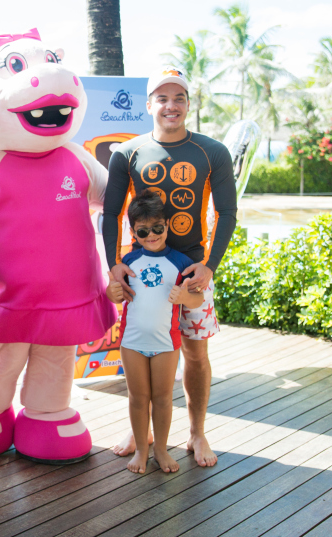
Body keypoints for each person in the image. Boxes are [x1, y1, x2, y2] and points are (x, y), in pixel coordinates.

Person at [102, 66, 237, 468]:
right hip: (141, 274)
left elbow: (227, 212)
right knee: (140, 351)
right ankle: (140, 430)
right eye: (162, 98)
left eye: (179, 97)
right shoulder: (127, 153)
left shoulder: (212, 152)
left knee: (195, 354)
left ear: (189, 104)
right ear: (149, 105)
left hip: (192, 271)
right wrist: (114, 265)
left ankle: (197, 432)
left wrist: (209, 266)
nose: (171, 105)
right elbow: (109, 214)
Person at [106, 190, 204, 474]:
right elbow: (115, 294)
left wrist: (185, 298)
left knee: (162, 398)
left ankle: (160, 449)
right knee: (137, 398)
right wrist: (112, 290)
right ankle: (141, 449)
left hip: (166, 343)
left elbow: (197, 300)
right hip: (132, 342)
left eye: (157, 229)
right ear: (134, 232)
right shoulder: (128, 262)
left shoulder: (182, 263)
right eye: (143, 231)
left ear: (168, 226)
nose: (151, 235)